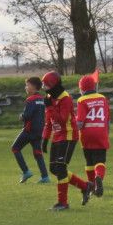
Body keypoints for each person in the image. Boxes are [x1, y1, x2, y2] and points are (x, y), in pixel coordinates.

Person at [40, 71, 91, 211]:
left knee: (61, 168)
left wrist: (49, 107)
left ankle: (62, 203)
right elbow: (49, 122)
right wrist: (45, 138)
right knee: (54, 169)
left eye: (46, 85)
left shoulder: (65, 98)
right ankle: (85, 186)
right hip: (57, 136)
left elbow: (62, 119)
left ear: (53, 85)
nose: (44, 88)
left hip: (68, 135)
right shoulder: (49, 97)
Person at [75, 70, 109, 198]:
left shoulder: (81, 100)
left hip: (86, 135)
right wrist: (106, 133)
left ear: (82, 89)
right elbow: (107, 118)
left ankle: (91, 184)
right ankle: (98, 177)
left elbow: (80, 122)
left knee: (89, 161)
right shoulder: (102, 98)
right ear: (93, 86)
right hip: (101, 132)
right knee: (100, 161)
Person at [11, 76, 50, 183]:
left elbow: (27, 115)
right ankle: (45, 177)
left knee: (15, 148)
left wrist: (21, 116)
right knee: (38, 153)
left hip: (29, 131)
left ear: (33, 86)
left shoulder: (31, 100)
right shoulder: (42, 99)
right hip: (39, 131)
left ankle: (26, 172)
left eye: (27, 85)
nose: (26, 87)